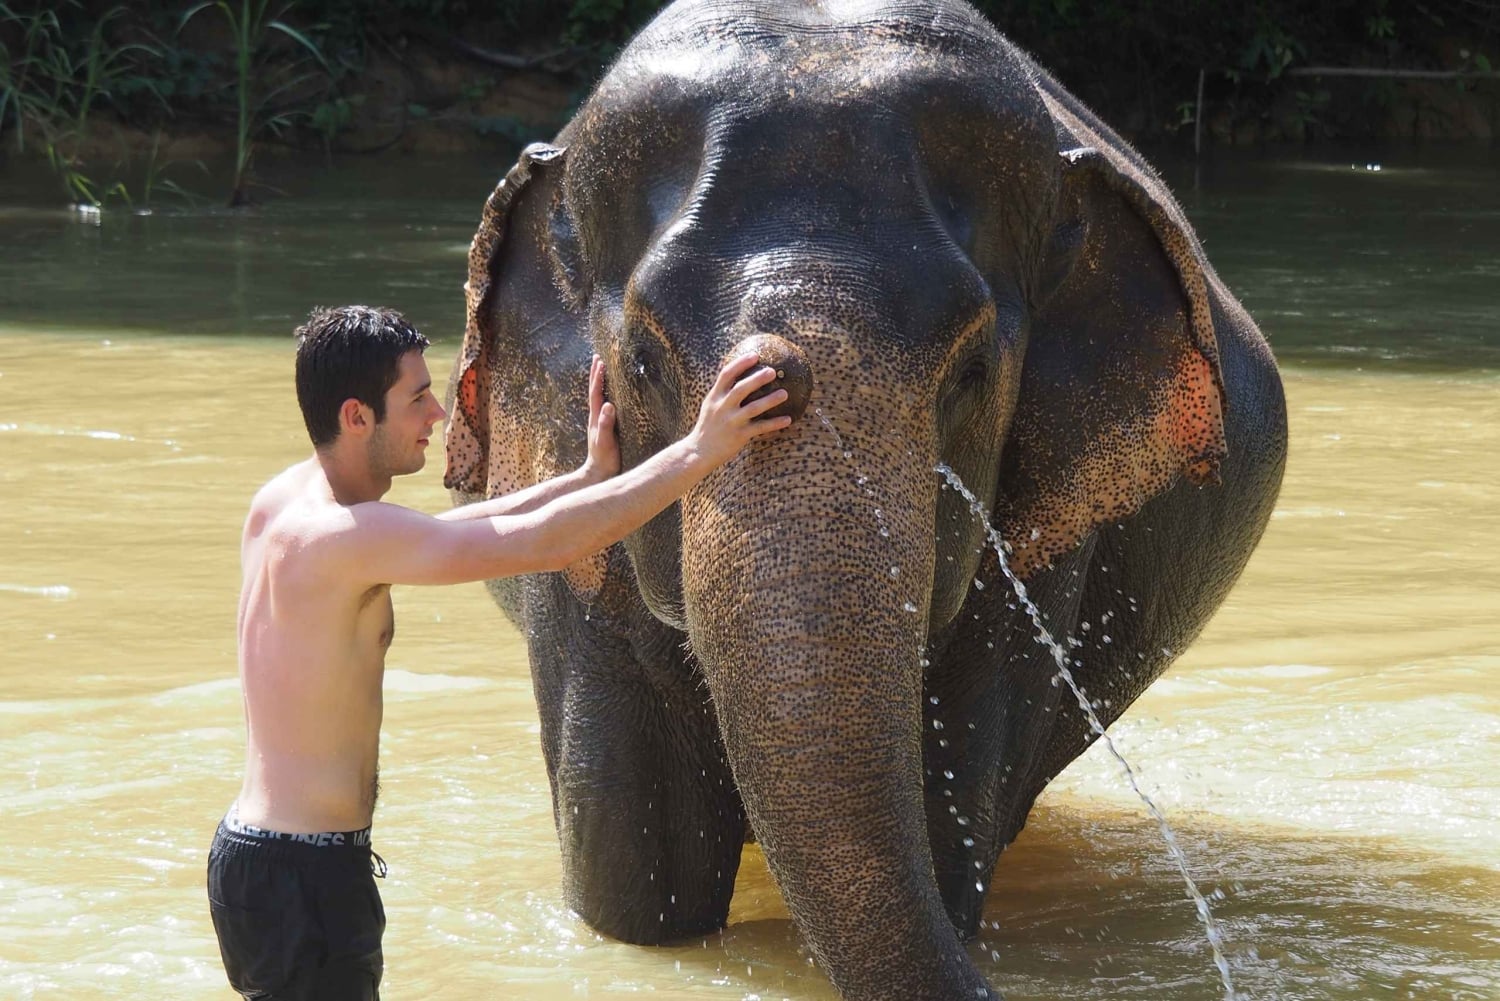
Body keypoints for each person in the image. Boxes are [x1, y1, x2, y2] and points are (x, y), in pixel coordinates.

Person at [207, 304, 791, 1000]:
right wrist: (702, 449)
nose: (438, 415)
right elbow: (549, 543)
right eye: (417, 399)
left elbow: (454, 530)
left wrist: (585, 479)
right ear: (357, 416)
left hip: (258, 860)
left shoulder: (285, 504)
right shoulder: (342, 537)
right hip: (307, 881)